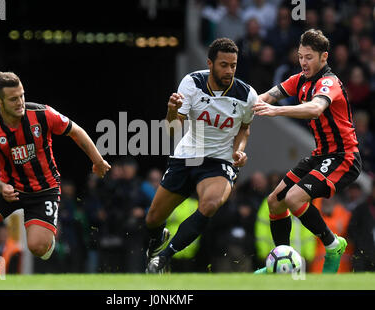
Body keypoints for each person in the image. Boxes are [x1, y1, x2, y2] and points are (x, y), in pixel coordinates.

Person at [0, 71, 110, 276]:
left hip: (44, 189)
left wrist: (98, 160)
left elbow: (76, 131)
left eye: (21, 95)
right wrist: (1, 187)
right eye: (13, 99)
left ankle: (48, 238)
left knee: (37, 247)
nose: (20, 102)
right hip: (8, 187)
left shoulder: (42, 114)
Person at [252, 29, 361, 273]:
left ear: (324, 57)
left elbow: (315, 108)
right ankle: (282, 263)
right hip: (321, 155)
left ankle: (333, 245)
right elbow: (266, 97)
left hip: (343, 157)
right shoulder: (299, 80)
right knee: (275, 201)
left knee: (293, 198)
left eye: (309, 57)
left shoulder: (329, 82)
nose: (303, 62)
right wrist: (241, 107)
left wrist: (277, 111)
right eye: (300, 56)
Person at [145, 38, 257, 273]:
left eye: (233, 65)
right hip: (188, 155)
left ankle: (163, 258)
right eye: (224, 65)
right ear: (210, 64)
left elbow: (244, 128)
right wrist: (171, 110)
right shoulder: (192, 83)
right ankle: (158, 241)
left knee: (211, 203)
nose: (229, 71)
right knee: (153, 219)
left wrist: (239, 149)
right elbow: (172, 131)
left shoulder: (247, 95)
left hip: (220, 161)